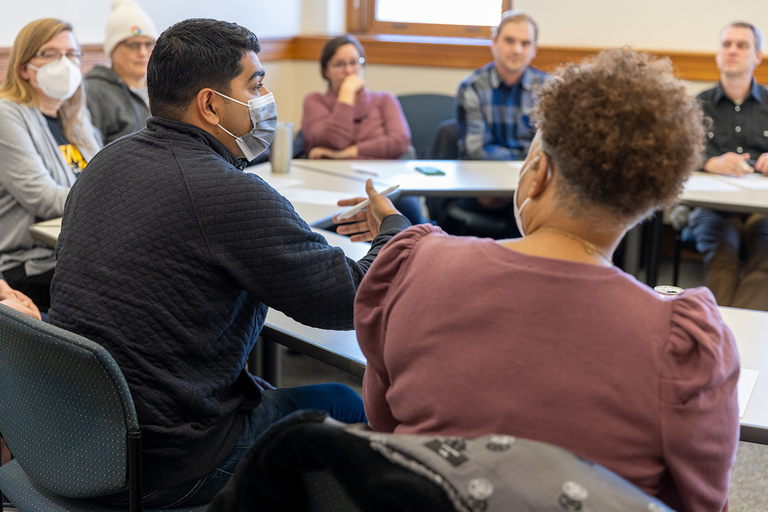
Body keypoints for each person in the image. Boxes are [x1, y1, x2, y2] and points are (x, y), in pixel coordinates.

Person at [354, 48, 739, 512]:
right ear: (647, 199)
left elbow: (384, 426)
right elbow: (699, 502)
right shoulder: (680, 346)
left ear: (538, 173)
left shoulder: (415, 266)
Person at [49, 18, 410, 508]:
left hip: (73, 436)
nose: (265, 96)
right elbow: (351, 300)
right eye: (256, 84)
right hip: (170, 460)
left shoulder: (105, 164)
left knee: (263, 387)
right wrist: (395, 232)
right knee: (346, 403)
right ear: (211, 105)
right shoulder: (227, 193)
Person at [0, 18, 102, 312]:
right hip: (30, 262)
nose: (64, 63)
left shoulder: (77, 119)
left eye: (71, 54)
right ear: (24, 68)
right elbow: (41, 196)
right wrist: (111, 203)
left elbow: (107, 179)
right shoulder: (8, 113)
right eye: (49, 53)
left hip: (79, 251)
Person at [428, 10, 547, 238]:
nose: (517, 50)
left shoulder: (548, 89)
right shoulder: (471, 87)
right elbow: (477, 150)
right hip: (480, 188)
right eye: (509, 40)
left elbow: (548, 151)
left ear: (534, 49)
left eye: (525, 43)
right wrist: (522, 159)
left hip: (530, 188)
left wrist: (519, 178)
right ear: (494, 43)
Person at [301, 35, 424, 224]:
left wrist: (342, 155)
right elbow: (334, 140)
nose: (349, 70)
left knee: (407, 214)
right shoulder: (315, 101)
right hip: (333, 186)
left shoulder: (384, 100)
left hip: (383, 184)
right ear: (326, 70)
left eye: (354, 62)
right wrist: (347, 94)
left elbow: (399, 141)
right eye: (339, 64)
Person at [689, 21, 768, 311]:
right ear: (718, 53)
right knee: (722, 256)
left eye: (742, 45)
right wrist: (709, 163)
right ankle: (722, 339)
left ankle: (732, 335)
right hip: (713, 207)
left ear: (757, 56)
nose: (732, 50)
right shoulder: (698, 105)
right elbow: (678, 156)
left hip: (763, 209)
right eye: (726, 44)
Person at [85, 0, 158, 144]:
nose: (143, 53)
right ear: (112, 50)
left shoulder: (163, 87)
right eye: (133, 45)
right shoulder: (93, 91)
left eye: (148, 44)